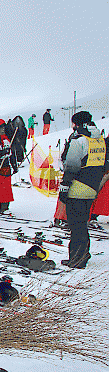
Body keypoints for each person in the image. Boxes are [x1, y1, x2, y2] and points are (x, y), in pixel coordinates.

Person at [58, 111, 108, 269]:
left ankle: (77, 259)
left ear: (77, 124)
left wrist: (64, 189)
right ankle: (83, 254)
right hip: (92, 188)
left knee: (75, 225)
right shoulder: (100, 140)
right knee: (82, 224)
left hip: (77, 188)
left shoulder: (79, 140)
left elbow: (71, 167)